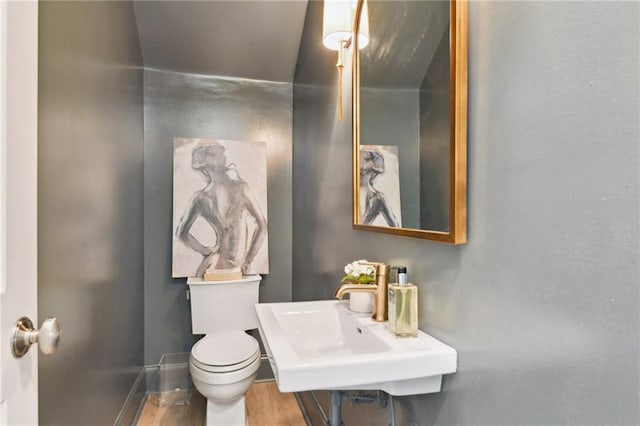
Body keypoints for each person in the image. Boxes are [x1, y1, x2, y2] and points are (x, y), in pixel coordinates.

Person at [176, 141, 267, 276]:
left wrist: (248, 260)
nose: (224, 157)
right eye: (216, 154)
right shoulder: (201, 197)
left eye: (222, 153)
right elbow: (181, 233)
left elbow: (262, 225)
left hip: (234, 267)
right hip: (216, 265)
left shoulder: (241, 188)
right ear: (206, 161)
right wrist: (206, 251)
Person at [360, 149, 400, 227]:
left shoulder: (378, 198)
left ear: (373, 174)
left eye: (363, 172)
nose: (357, 174)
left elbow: (396, 227)